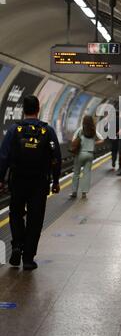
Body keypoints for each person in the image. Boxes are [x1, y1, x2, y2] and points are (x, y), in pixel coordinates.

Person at [0, 95, 61, 270]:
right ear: (38, 109)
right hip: (39, 183)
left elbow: (3, 156)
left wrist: (0, 179)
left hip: (18, 180)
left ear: (23, 109)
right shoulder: (47, 131)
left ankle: (17, 245)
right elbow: (56, 157)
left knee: (16, 214)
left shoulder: (14, 131)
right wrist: (56, 180)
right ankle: (28, 258)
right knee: (35, 218)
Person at [70, 115, 103, 199]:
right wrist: (93, 143)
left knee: (76, 173)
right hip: (90, 154)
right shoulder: (93, 131)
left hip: (80, 154)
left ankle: (74, 192)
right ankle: (84, 193)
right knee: (87, 174)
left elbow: (73, 140)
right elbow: (102, 139)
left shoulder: (80, 130)